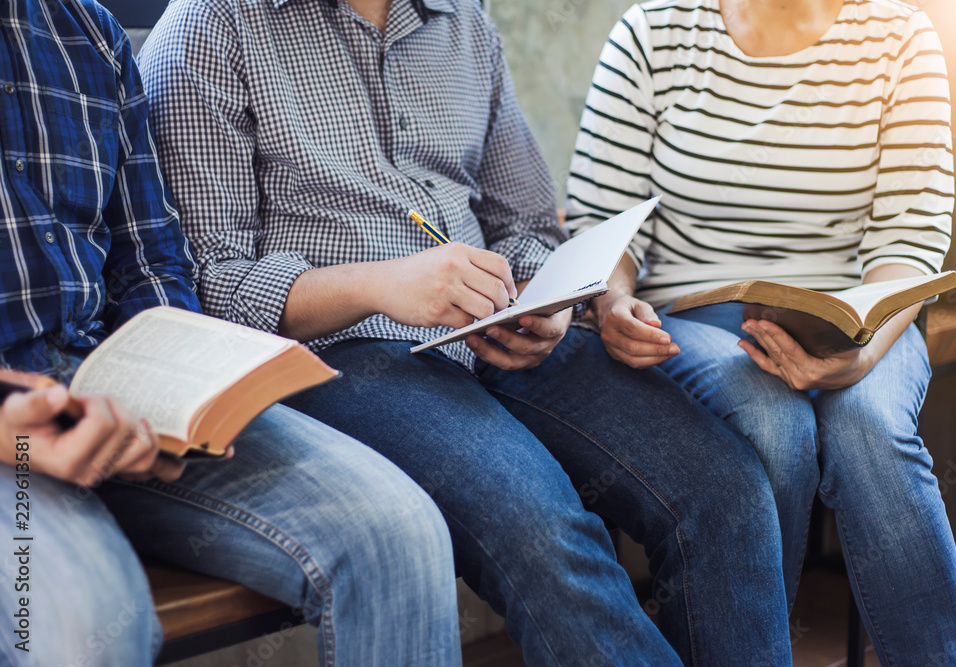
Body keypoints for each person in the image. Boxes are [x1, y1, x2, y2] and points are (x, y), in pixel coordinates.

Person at [139, 0, 795, 664]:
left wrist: (554, 304)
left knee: (725, 488)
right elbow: (207, 286)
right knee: (540, 525)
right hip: (343, 355)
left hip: (499, 333)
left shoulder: (465, 25)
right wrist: (381, 284)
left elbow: (529, 225)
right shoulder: (210, 29)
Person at [0, 1, 459, 665]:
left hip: (105, 396)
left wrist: (172, 385)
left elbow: (150, 256)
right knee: (84, 626)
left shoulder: (87, 31)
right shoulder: (211, 29)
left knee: (400, 532)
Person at [566, 0, 956, 663]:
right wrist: (610, 302)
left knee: (868, 426)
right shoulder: (654, 30)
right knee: (774, 423)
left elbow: (908, 244)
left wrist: (861, 354)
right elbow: (601, 221)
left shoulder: (900, 37)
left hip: (865, 315)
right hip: (694, 319)